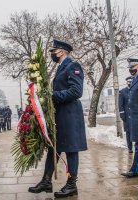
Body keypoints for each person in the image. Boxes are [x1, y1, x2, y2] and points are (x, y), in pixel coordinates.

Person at [28, 39, 87, 198]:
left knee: (71, 150)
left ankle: (71, 184)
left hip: (70, 115)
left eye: (53, 51)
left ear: (61, 51)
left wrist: (52, 96)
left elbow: (76, 91)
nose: (52, 54)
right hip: (60, 115)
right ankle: (46, 181)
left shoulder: (73, 66)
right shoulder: (61, 67)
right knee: (54, 148)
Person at [119, 76, 133, 153]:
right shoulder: (123, 91)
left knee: (135, 131)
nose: (129, 83)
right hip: (127, 115)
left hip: (135, 115)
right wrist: (122, 114)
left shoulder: (135, 90)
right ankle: (130, 147)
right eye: (128, 82)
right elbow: (120, 104)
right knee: (128, 132)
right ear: (126, 82)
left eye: (131, 82)